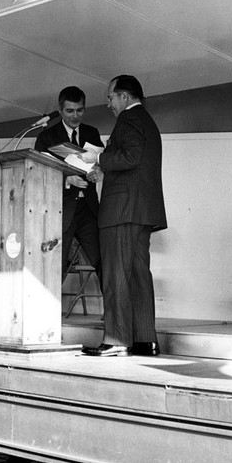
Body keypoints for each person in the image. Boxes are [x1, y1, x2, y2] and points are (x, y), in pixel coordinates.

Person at [80, 75, 167, 357]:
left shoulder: (128, 120)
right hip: (142, 211)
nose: (108, 104)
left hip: (121, 211)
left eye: (110, 98)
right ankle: (144, 340)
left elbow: (130, 156)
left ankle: (116, 340)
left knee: (116, 275)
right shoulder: (147, 121)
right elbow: (137, 160)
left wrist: (98, 159)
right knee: (139, 275)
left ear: (124, 97)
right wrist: (106, 170)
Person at [34, 86, 104, 282]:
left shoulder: (92, 132)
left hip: (89, 208)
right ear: (60, 109)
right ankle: (47, 311)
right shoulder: (46, 137)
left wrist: (98, 171)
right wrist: (65, 179)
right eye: (69, 111)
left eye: (80, 110)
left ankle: (113, 312)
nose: (75, 115)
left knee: (103, 259)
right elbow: (39, 175)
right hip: (60, 209)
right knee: (55, 263)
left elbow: (98, 161)